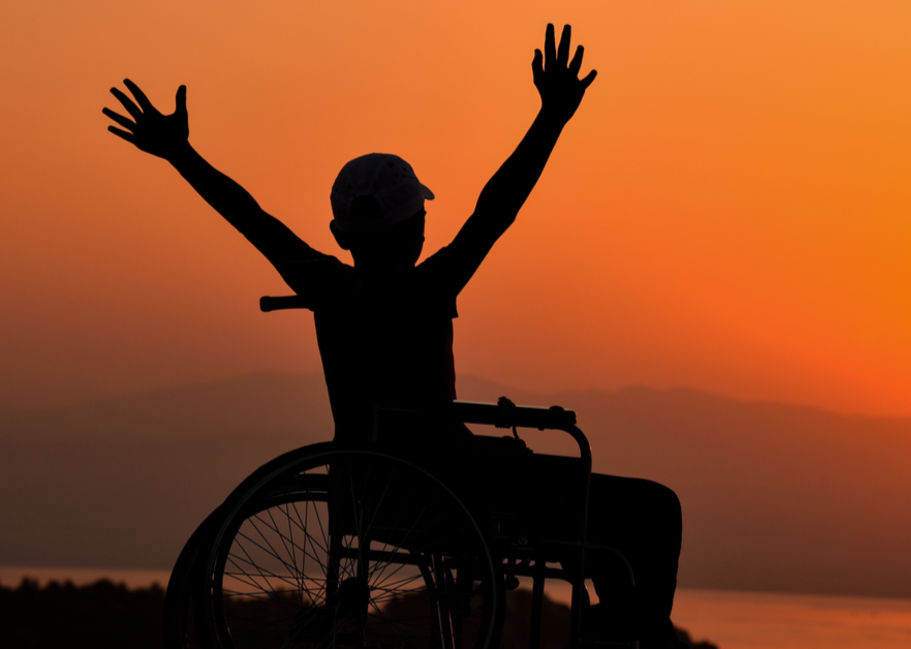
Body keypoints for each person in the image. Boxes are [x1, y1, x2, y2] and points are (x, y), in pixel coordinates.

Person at [105, 24, 683, 648]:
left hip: (366, 493)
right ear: (414, 232)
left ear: (341, 234)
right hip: (450, 491)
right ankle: (629, 633)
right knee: (653, 510)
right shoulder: (427, 289)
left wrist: (180, 155)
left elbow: (253, 219)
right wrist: (552, 118)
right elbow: (497, 209)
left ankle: (618, 626)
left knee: (595, 537)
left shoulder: (328, 286)